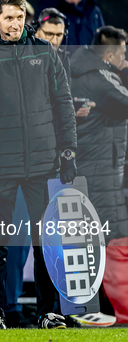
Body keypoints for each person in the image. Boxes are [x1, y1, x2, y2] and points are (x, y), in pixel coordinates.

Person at [0, 0, 77, 329]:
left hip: (41, 166)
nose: (15, 24)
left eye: (20, 17)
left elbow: (63, 104)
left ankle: (47, 311)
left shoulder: (45, 54)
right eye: (9, 17)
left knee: (45, 244)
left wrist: (68, 150)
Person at [70, 26, 128, 323]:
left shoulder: (81, 70)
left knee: (94, 242)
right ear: (109, 55)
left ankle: (98, 310)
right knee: (114, 241)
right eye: (123, 54)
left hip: (91, 167)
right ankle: (119, 312)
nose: (126, 61)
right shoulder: (100, 79)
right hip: (103, 172)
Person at [33, 7, 95, 117]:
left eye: (59, 35)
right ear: (36, 32)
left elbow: (63, 95)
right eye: (49, 34)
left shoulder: (62, 58)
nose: (54, 41)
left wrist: (73, 106)